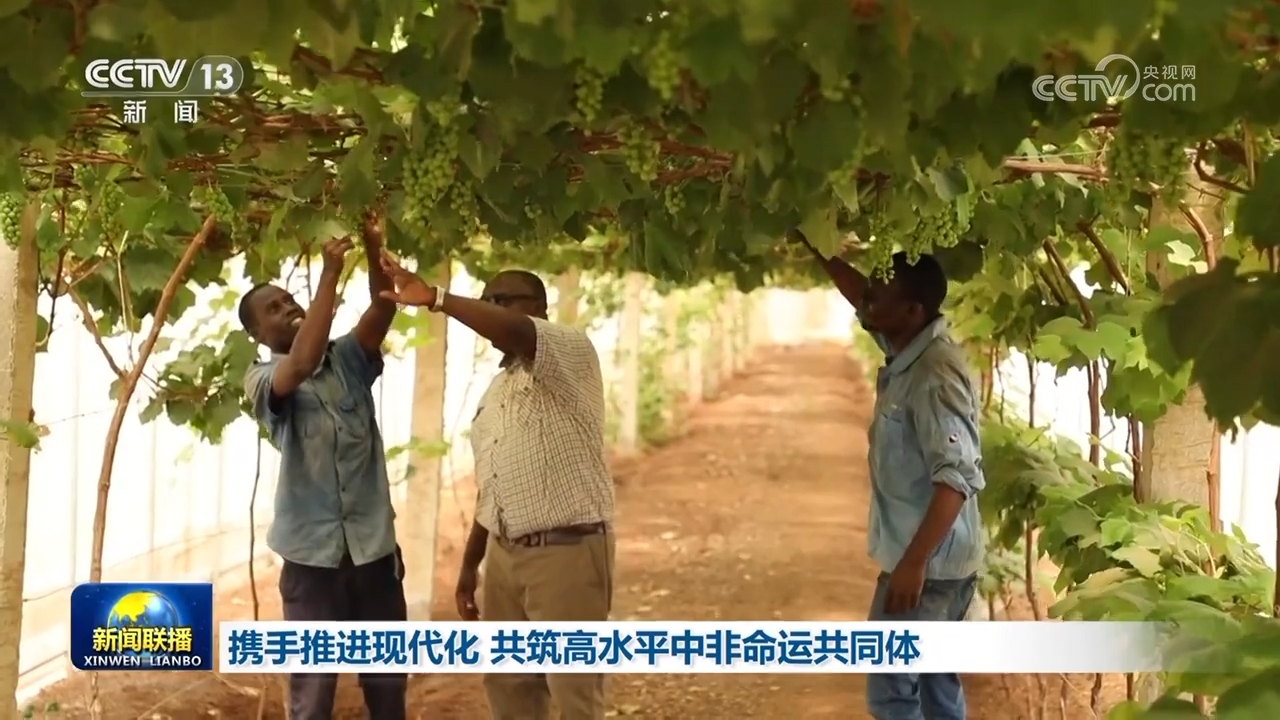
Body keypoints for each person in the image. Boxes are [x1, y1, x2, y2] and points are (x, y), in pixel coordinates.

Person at [376, 250, 615, 720]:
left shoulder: (570, 350)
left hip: (566, 553)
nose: (493, 309)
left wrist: (437, 298)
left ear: (539, 307)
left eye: (505, 300)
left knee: (574, 693)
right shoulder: (497, 391)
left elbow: (518, 332)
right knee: (509, 686)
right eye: (488, 300)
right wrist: (472, 563)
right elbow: (495, 486)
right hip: (505, 557)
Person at [795, 231, 985, 720]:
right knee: (935, 685)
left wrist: (913, 564)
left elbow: (955, 480)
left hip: (930, 568)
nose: (866, 302)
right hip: (939, 561)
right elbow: (859, 293)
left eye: (878, 296)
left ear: (912, 311)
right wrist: (816, 244)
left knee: (892, 693)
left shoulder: (934, 376)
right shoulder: (908, 344)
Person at [238, 214, 404, 720]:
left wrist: (373, 244)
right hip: (312, 564)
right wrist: (330, 273)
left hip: (374, 553)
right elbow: (301, 363)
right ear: (256, 334)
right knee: (313, 694)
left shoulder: (348, 359)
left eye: (290, 300)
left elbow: (384, 305)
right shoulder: (261, 379)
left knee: (388, 688)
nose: (288, 308)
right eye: (273, 309)